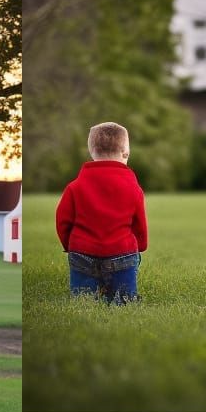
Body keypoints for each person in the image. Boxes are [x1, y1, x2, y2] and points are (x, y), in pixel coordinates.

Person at [55, 121, 148, 304]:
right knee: (124, 301)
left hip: (82, 253)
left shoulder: (74, 187)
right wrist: (141, 246)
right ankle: (123, 299)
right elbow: (139, 224)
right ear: (125, 153)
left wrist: (70, 245)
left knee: (84, 300)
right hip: (122, 253)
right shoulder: (133, 188)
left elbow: (63, 221)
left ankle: (86, 298)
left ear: (92, 152)